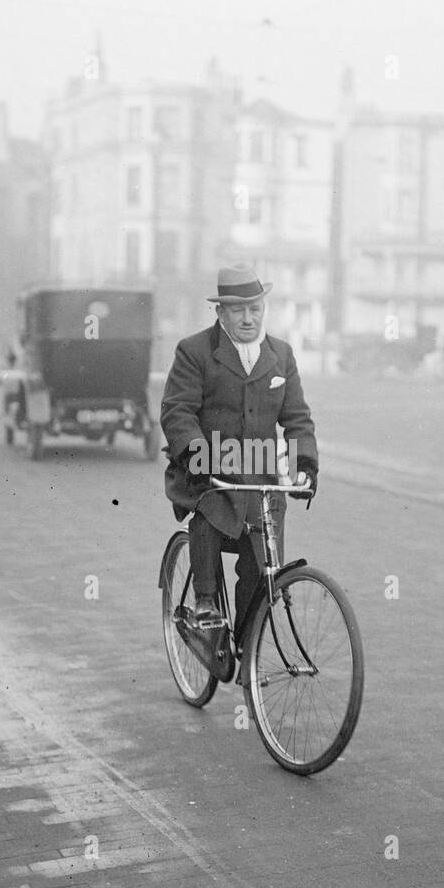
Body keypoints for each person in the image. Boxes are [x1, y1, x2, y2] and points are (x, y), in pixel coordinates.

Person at [161, 264, 318, 635]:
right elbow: (177, 410)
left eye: (255, 309)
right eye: (237, 310)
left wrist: (304, 465)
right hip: (206, 466)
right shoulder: (194, 351)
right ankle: (203, 603)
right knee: (208, 511)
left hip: (261, 477)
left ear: (264, 309)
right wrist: (195, 453)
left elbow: (296, 417)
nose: (248, 319)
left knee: (260, 574)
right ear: (220, 313)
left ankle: (247, 649)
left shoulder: (281, 355)